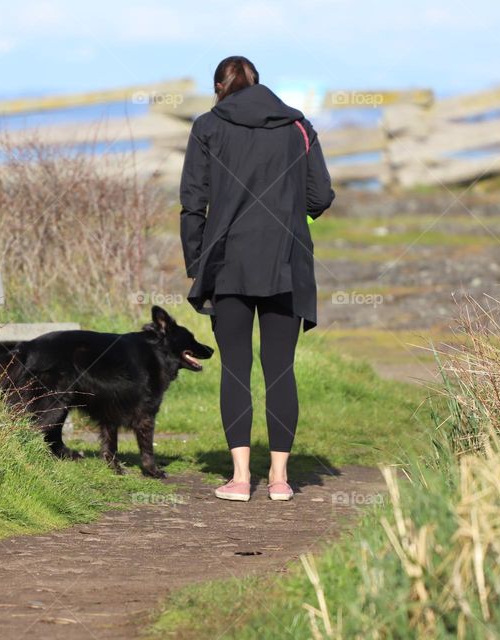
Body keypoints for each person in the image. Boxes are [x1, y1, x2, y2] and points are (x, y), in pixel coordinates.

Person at [178, 55, 335, 502]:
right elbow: (320, 195)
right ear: (258, 84)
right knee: (280, 369)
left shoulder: (207, 127)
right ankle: (282, 480)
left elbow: (193, 203)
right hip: (287, 262)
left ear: (219, 88)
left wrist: (197, 263)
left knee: (236, 369)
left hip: (228, 264)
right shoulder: (297, 127)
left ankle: (241, 478)